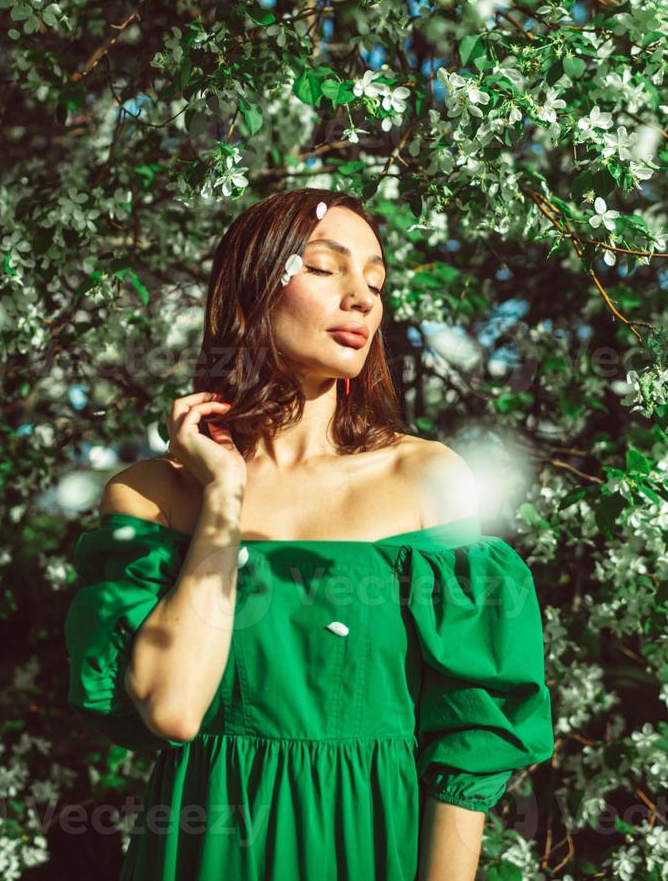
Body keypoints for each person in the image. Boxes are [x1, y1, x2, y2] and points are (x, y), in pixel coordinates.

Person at [64, 188, 554, 880]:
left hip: (366, 849)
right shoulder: (155, 496)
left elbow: (469, 733)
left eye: (376, 281)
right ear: (254, 287)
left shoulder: (424, 479)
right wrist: (223, 501)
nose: (361, 297)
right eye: (327, 268)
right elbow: (172, 711)